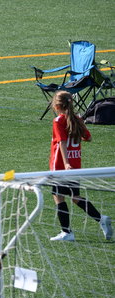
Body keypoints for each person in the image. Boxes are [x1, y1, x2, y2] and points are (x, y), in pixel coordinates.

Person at [47, 91, 112, 241]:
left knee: (58, 197)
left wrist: (66, 163)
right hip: (75, 165)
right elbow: (88, 138)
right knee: (75, 197)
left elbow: (62, 143)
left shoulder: (58, 121)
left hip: (61, 166)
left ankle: (66, 232)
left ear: (56, 106)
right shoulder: (77, 118)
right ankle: (101, 219)